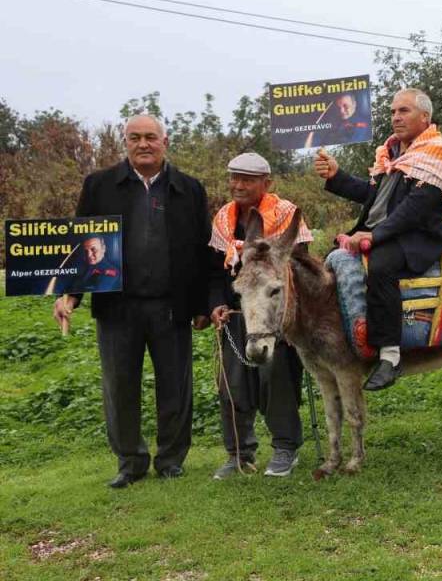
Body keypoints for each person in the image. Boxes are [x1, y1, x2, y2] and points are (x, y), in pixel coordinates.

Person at [52, 114, 211, 488]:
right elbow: (81, 248)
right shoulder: (99, 185)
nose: (143, 144)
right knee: (120, 386)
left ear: (165, 142)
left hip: (171, 306)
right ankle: (130, 462)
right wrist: (70, 295)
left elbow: (203, 250)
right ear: (125, 142)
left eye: (150, 137)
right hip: (117, 306)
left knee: (175, 387)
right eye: (135, 137)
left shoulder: (189, 189)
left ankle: (171, 459)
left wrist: (203, 304)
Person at [313, 88, 442, 391]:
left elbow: (416, 208)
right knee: (328, 264)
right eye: (393, 111)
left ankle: (389, 356)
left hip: (415, 237)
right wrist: (336, 176)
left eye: (403, 111)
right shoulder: (390, 153)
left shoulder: (436, 150)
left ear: (425, 117)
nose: (395, 117)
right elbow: (373, 196)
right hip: (385, 232)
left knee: (380, 266)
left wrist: (374, 236)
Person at [207, 152, 311, 479]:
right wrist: (215, 303)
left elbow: (300, 265)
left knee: (275, 379)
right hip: (236, 313)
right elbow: (213, 270)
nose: (239, 185)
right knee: (232, 383)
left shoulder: (285, 215)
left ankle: (285, 447)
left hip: (272, 315)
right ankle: (239, 452)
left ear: (267, 183)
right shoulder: (223, 219)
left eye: (248, 180)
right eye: (234, 178)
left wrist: (288, 314)